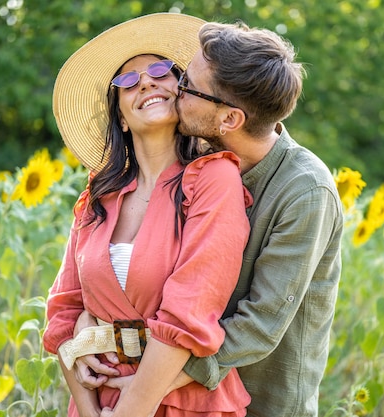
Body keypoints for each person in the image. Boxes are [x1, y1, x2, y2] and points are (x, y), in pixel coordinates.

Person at [75, 18, 344, 417]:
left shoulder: (305, 192)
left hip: (263, 397)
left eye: (186, 86)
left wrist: (148, 389)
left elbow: (259, 324)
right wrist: (85, 328)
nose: (173, 90)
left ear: (230, 120)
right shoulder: (194, 165)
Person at [42, 13, 252, 417]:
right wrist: (89, 411)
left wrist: (130, 411)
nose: (146, 82)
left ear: (183, 92)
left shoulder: (214, 179)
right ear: (120, 115)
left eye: (160, 70)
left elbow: (189, 311)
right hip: (99, 402)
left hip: (185, 403)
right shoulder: (98, 195)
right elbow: (63, 313)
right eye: (126, 81)